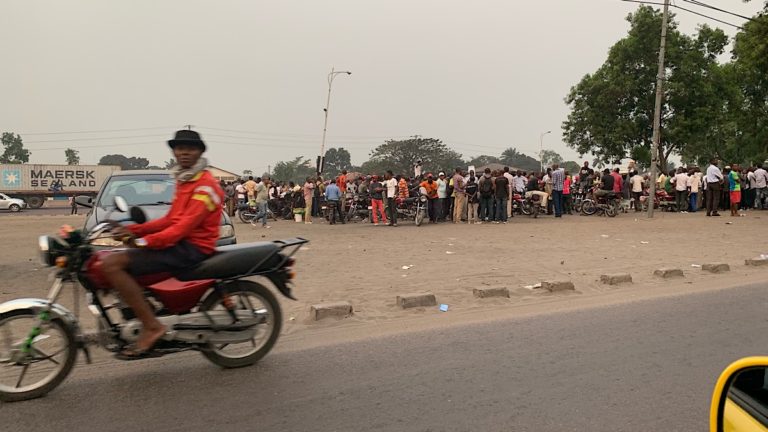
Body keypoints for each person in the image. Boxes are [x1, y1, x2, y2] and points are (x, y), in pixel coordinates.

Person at [103, 129, 223, 359]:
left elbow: (181, 228)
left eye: (190, 148)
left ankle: (152, 326)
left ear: (199, 152)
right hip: (181, 242)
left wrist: (141, 241)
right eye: (179, 148)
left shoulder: (206, 186)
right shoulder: (184, 180)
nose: (184, 152)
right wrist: (131, 229)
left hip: (193, 247)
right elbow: (170, 220)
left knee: (112, 264)